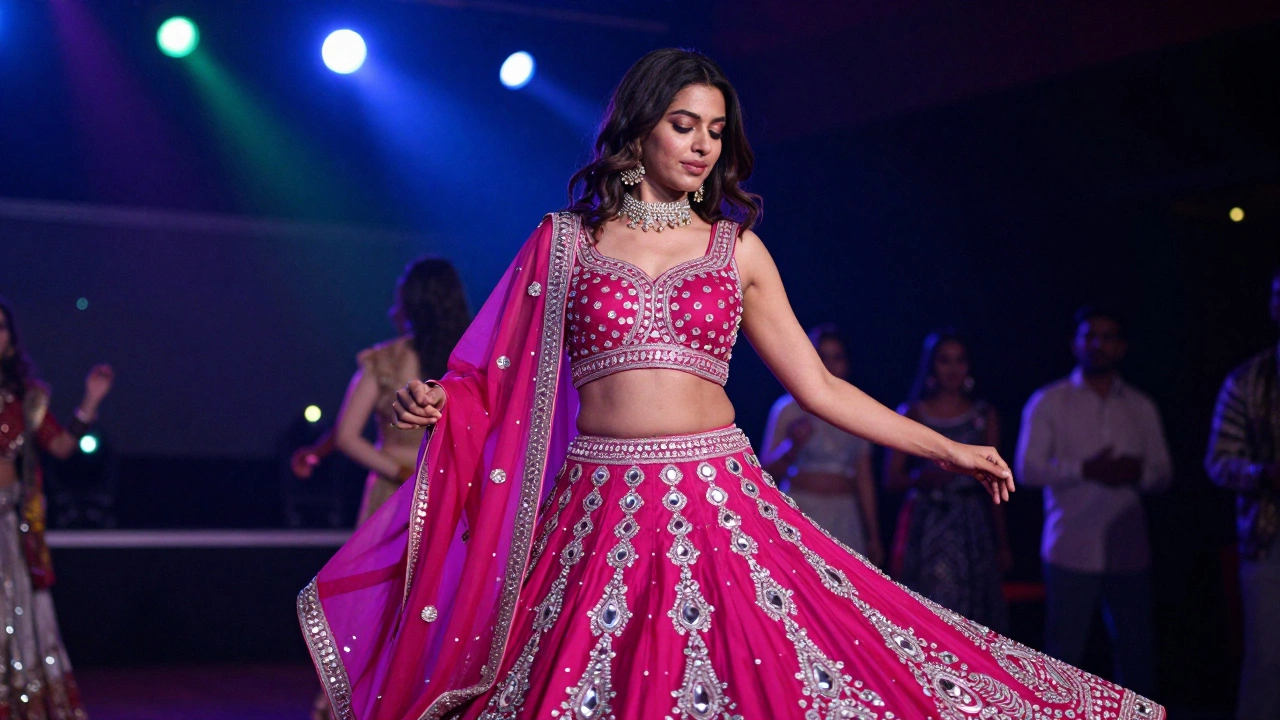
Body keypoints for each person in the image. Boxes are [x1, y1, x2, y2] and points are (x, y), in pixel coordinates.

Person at [301, 49, 1162, 720]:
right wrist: (440, 403)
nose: (704, 143)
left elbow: (821, 388)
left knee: (771, 678)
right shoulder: (563, 243)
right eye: (684, 123)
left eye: (715, 128)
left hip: (717, 499)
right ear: (640, 129)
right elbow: (492, 377)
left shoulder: (735, 250)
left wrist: (948, 445)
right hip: (595, 509)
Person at [1015, 306, 1172, 697]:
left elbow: (1164, 473)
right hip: (1071, 547)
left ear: (1121, 347)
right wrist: (1085, 469)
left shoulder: (1140, 406)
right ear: (1075, 344)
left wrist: (1136, 473)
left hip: (1128, 550)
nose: (1097, 345)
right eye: (1089, 336)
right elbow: (1026, 469)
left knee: (1136, 652)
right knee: (1064, 653)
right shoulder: (1049, 401)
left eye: (1107, 337)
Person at [294, 257, 469, 525]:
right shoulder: (471, 360)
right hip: (453, 487)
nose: (391, 312)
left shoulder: (385, 360)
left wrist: (400, 473)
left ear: (410, 304)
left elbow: (346, 435)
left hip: (398, 489)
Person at [0, 296, 112, 719]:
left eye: (0, 327)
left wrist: (90, 401)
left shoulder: (27, 399)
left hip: (10, 528)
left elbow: (63, 446)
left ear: (11, 341)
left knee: (18, 618)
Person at [885, 329, 1011, 631]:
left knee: (975, 615)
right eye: (944, 361)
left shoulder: (983, 414)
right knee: (929, 611)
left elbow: (997, 482)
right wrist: (923, 479)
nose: (953, 369)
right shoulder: (913, 412)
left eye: (959, 361)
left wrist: (1003, 543)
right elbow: (891, 478)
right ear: (932, 366)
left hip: (971, 524)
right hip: (927, 523)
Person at [1205, 267, 1280, 720]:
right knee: (1267, 661)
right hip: (1269, 538)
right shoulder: (1248, 381)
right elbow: (1219, 461)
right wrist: (1266, 473)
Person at [761, 324, 883, 564]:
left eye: (836, 357)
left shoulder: (859, 409)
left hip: (845, 515)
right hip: (801, 509)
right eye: (821, 356)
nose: (829, 365)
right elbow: (763, 474)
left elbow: (864, 477)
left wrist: (874, 535)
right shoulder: (787, 408)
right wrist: (792, 445)